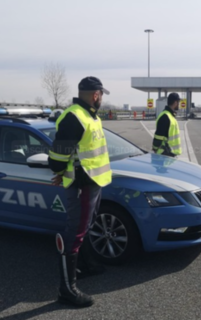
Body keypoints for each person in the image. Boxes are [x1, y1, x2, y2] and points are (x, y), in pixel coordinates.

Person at [48, 76, 112, 308]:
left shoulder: (89, 115)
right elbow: (58, 156)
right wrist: (61, 169)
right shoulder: (75, 116)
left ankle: (86, 265)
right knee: (74, 233)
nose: (102, 98)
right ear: (96, 95)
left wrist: (63, 167)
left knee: (85, 226)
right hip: (81, 185)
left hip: (93, 182)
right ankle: (67, 289)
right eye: (101, 95)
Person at [152, 93, 182, 157]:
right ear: (175, 102)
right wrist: (156, 150)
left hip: (170, 153)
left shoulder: (170, 116)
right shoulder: (165, 116)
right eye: (178, 102)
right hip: (164, 155)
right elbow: (158, 137)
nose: (179, 104)